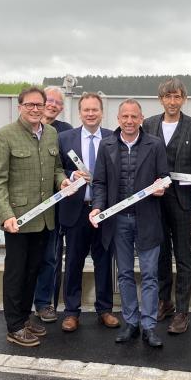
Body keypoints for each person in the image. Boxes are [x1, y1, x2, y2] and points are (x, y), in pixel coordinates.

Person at [0, 86, 71, 347]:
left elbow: (56, 168)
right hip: (18, 220)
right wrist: (6, 216)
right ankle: (13, 325)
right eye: (30, 105)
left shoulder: (51, 134)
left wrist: (63, 182)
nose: (35, 109)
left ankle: (24, 318)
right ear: (20, 106)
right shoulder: (4, 135)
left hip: (45, 217)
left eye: (39, 105)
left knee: (33, 271)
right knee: (15, 273)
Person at [90, 99, 170, 348]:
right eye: (125, 116)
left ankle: (149, 326)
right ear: (118, 119)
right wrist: (96, 207)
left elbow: (164, 177)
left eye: (134, 117)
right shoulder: (107, 145)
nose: (129, 121)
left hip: (147, 218)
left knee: (149, 275)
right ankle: (131, 323)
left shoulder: (155, 144)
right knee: (124, 274)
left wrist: (161, 187)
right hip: (118, 221)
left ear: (141, 119)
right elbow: (99, 182)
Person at [143, 78, 191, 335]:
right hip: (155, 201)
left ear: (183, 99)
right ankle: (164, 301)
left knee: (183, 256)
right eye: (168, 97)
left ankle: (182, 311)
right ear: (161, 99)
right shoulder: (148, 125)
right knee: (161, 255)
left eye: (177, 96)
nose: (172, 101)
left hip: (182, 201)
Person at [56, 93, 120, 332]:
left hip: (103, 211)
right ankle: (71, 312)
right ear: (79, 113)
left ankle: (105, 310)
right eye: (86, 110)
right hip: (76, 210)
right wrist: (71, 176)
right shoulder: (64, 139)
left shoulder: (113, 138)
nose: (91, 114)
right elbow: (57, 169)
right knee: (73, 262)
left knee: (104, 261)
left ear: (102, 112)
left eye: (95, 110)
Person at [33, 86, 74, 323]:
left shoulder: (64, 132)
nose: (53, 105)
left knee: (52, 255)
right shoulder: (19, 129)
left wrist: (68, 178)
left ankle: (47, 302)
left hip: (55, 205)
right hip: (27, 206)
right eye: (49, 100)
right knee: (27, 257)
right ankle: (22, 302)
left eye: (58, 102)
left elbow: (67, 166)